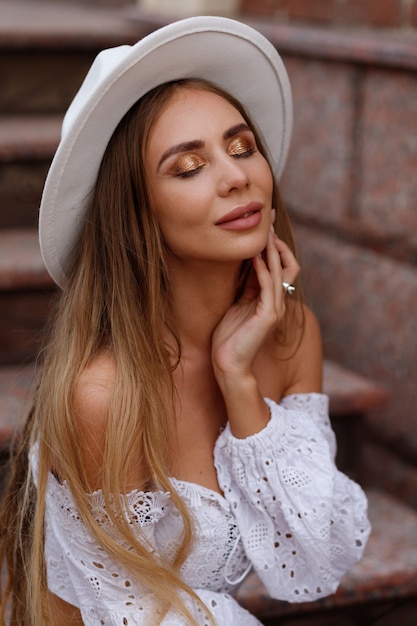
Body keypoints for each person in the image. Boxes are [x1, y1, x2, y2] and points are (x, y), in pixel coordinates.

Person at [0, 16, 370, 626]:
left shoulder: (290, 333)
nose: (235, 177)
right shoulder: (104, 395)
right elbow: (117, 612)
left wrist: (240, 383)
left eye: (241, 145)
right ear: (134, 214)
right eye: (188, 166)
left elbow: (318, 554)